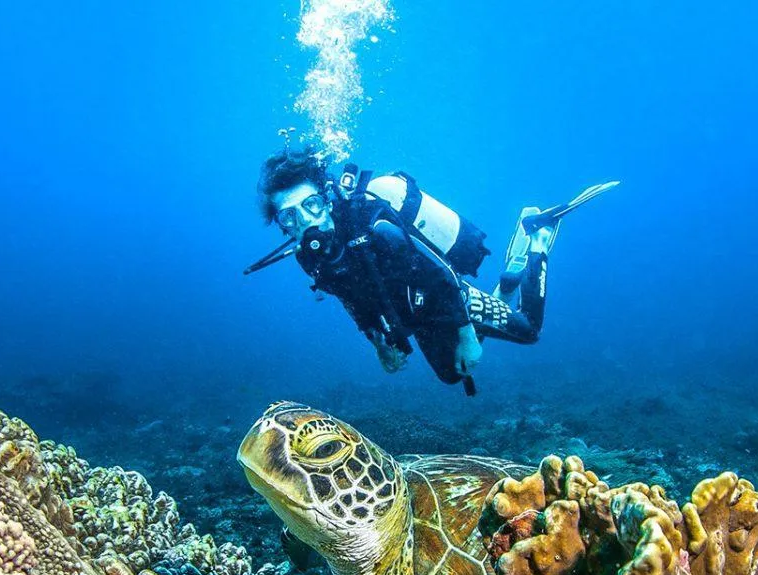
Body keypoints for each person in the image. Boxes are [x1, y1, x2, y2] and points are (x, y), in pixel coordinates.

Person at [247, 145, 614, 393]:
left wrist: (468, 336)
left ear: (326, 200)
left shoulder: (375, 229)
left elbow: (439, 273)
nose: (306, 221)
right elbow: (352, 300)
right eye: (290, 215)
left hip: (451, 297)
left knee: (529, 330)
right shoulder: (309, 257)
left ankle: (536, 238)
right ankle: (505, 285)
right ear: (280, 224)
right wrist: (378, 344)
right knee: (453, 376)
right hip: (417, 315)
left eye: (311, 205)